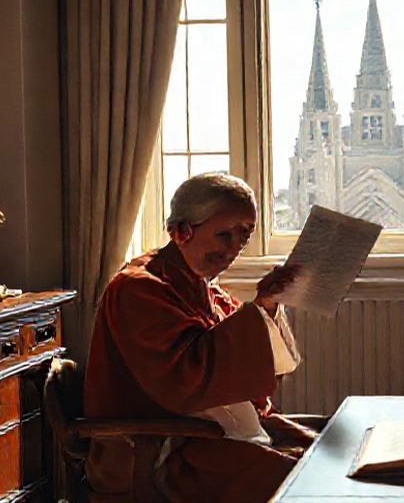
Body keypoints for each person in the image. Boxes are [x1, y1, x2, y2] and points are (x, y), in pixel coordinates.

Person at [84, 172, 316, 502]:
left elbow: (256, 362)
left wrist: (268, 306)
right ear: (181, 231)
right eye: (224, 235)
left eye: (244, 236)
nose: (234, 249)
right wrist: (259, 309)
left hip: (212, 435)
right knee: (306, 483)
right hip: (164, 449)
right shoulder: (138, 288)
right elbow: (186, 380)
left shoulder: (203, 286)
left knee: (330, 454)